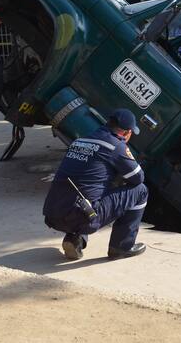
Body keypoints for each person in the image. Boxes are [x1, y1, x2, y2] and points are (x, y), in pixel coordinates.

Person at [42, 109, 148, 260]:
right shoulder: (115, 146)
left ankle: (74, 240)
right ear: (126, 133)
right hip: (83, 217)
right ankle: (122, 247)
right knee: (140, 191)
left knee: (89, 190)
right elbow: (138, 178)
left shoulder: (80, 141)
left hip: (53, 213)